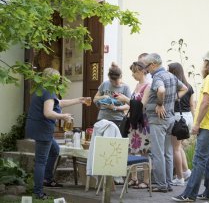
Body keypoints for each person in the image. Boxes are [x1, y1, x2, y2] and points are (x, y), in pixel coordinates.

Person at [172, 49, 209, 202]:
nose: (202, 65)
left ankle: (189, 194)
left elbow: (205, 102)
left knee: (199, 160)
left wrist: (197, 124)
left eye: (204, 62)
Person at [25, 67, 90, 200]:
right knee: (41, 161)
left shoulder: (41, 89)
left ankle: (47, 178)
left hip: (38, 127)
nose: (59, 80)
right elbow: (48, 113)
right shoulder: (48, 91)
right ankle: (38, 192)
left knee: (54, 150)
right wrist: (64, 116)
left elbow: (58, 103)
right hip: (43, 130)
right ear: (53, 79)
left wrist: (79, 100)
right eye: (58, 78)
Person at [143, 53, 188, 193]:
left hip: (158, 120)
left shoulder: (158, 76)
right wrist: (172, 99)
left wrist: (160, 103)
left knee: (158, 153)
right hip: (169, 119)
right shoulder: (171, 76)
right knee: (168, 152)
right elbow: (184, 88)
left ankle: (162, 185)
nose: (146, 69)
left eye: (147, 66)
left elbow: (161, 90)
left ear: (154, 65)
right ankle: (168, 183)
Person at [116, 61, 151, 189]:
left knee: (144, 151)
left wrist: (125, 99)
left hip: (143, 122)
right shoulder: (137, 85)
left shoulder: (148, 85)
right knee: (132, 149)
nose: (133, 75)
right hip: (134, 122)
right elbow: (133, 104)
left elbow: (142, 105)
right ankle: (134, 178)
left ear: (142, 71)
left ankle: (146, 180)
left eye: (134, 72)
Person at [168, 62, 195, 186]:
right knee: (179, 147)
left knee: (175, 149)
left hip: (178, 117)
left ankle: (179, 178)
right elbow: (192, 105)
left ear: (173, 72)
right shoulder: (189, 86)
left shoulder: (174, 86)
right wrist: (194, 121)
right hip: (188, 117)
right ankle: (186, 172)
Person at [93, 62, 131, 128]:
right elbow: (95, 99)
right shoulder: (105, 84)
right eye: (111, 81)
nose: (114, 84)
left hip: (118, 119)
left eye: (116, 81)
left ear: (120, 77)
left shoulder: (125, 87)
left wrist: (115, 108)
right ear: (109, 78)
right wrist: (103, 97)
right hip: (103, 118)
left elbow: (128, 105)